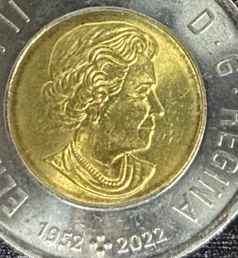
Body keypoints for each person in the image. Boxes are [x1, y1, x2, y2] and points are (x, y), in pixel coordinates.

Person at [41, 19, 164, 203]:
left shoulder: (146, 174)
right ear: (95, 106)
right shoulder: (55, 172)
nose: (158, 110)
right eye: (143, 91)